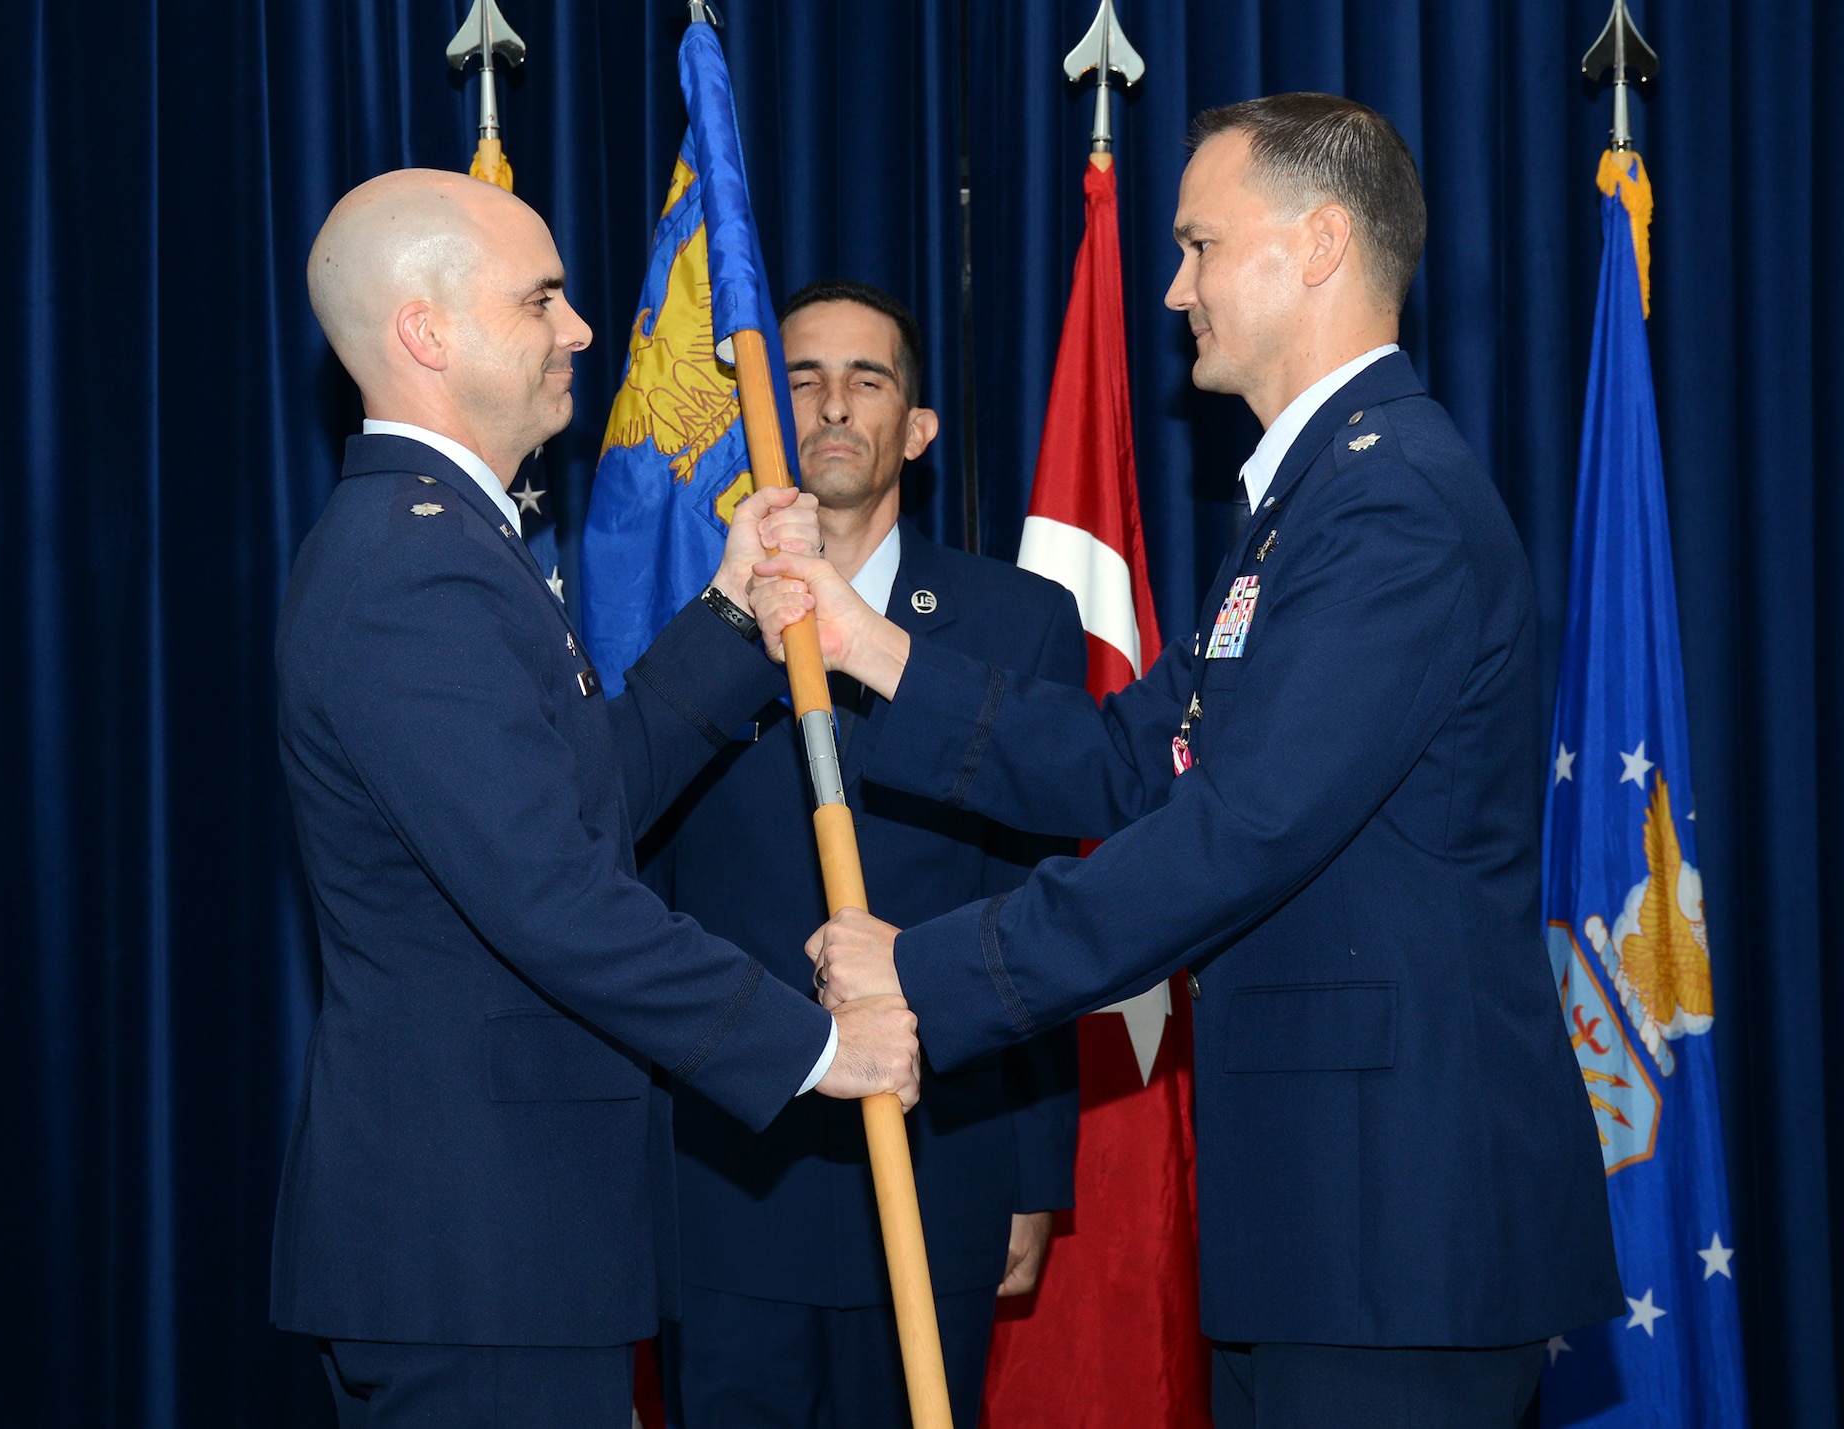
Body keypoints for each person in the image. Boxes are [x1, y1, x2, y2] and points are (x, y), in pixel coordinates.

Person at [759, 95, 1624, 1428]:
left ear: (1319, 243)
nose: (1174, 290)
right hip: (1325, 1224)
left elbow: (1241, 829)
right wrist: (870, 646)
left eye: (1199, 246)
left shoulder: (1390, 503)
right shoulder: (1313, 500)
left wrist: (923, 971)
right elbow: (1128, 753)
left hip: (1401, 1230)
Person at [272, 169, 920, 1427]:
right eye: (541, 300)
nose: (578, 328)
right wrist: (815, 1045)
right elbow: (553, 898)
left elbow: (582, 801)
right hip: (473, 1250)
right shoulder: (414, 569)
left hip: (508, 1245)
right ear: (425, 333)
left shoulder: (448, 543)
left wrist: (728, 613)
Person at [641, 280, 1083, 1427]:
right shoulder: (685, 624)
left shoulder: (1017, 621)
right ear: (758, 417)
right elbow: (640, 890)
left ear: (916, 427)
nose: (831, 405)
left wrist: (1032, 1171)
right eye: (800, 379)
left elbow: (1038, 895)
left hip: (939, 1157)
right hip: (730, 1168)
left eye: (866, 379)